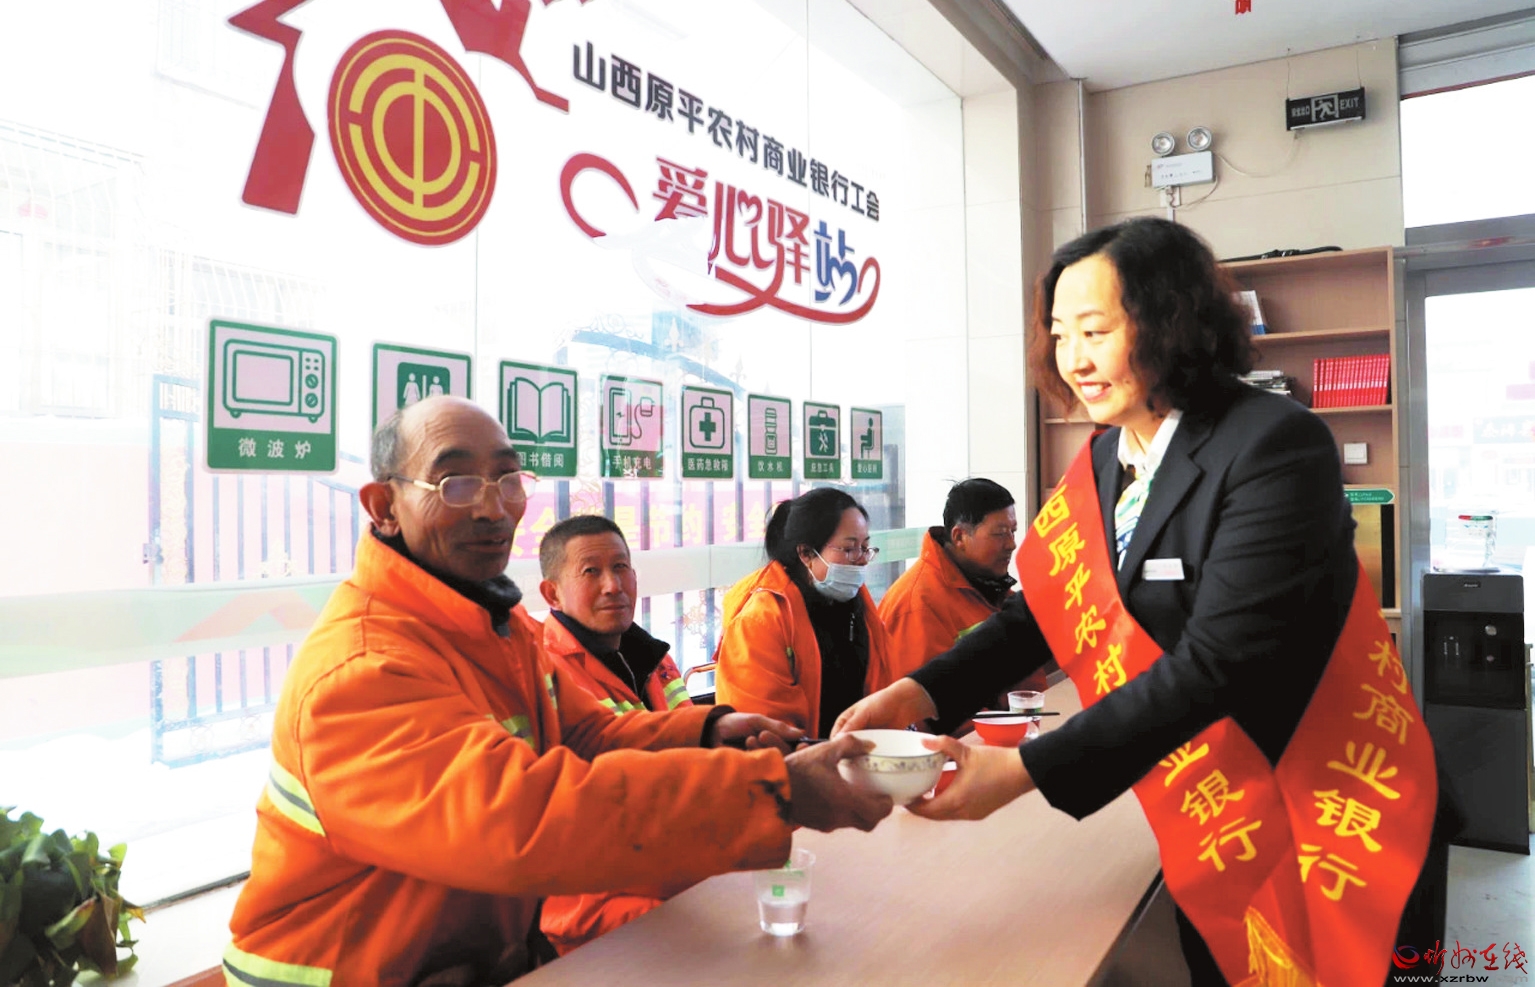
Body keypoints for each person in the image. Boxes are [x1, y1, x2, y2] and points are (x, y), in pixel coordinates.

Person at [834, 218, 1445, 987]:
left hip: (1325, 804)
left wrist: (1024, 771)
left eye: (1094, 331)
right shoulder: (1104, 455)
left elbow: (1218, 662)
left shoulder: (1273, 444)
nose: (1073, 359)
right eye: (1060, 334)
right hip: (1217, 808)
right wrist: (921, 690)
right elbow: (1041, 612)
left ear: (1170, 322)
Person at [226, 396, 893, 987]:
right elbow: (519, 820)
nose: (493, 507)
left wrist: (707, 730)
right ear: (384, 507)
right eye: (457, 482)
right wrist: (772, 791)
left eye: (508, 478)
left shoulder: (492, 622)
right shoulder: (363, 667)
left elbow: (585, 733)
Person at [533, 513, 694, 954]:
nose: (613, 585)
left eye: (621, 567)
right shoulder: (544, 671)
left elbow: (693, 755)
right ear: (552, 593)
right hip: (593, 901)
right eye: (591, 572)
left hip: (674, 867)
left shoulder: (653, 658)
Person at [714, 487, 896, 736]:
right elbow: (765, 732)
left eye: (865, 547)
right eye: (849, 549)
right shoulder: (760, 621)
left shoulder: (856, 601)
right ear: (806, 553)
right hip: (796, 757)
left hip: (861, 752)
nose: (862, 559)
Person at [878, 478, 1045, 692]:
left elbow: (1029, 678)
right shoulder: (918, 603)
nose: (1011, 544)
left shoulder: (991, 587)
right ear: (959, 537)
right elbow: (925, 702)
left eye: (1013, 531)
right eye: (1000, 533)